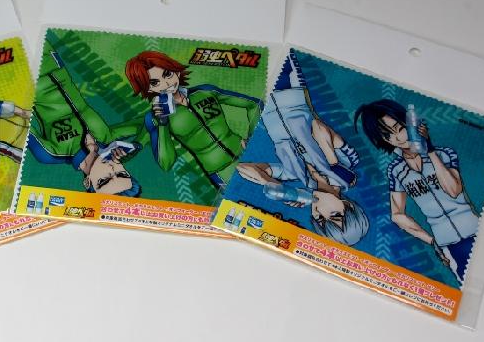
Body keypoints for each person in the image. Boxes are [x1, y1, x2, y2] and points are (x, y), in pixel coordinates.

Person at [235, 53, 369, 246]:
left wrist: (274, 184)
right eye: (334, 215)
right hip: (288, 86)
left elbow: (243, 168)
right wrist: (332, 165)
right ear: (347, 205)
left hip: (261, 99)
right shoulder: (347, 163)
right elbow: (317, 127)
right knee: (274, 51)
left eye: (319, 219)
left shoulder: (295, 174)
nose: (319, 211)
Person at [354, 98, 478, 285]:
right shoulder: (396, 170)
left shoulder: (444, 154)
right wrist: (431, 241)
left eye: (400, 128)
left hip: (475, 231)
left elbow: (454, 190)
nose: (398, 137)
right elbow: (397, 215)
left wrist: (430, 150)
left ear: (409, 122)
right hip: (446, 244)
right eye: (388, 135)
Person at [124, 51, 261, 190]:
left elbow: (254, 105)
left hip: (249, 153)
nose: (166, 83)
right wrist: (163, 123)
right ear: (148, 88)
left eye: (167, 74)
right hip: (221, 171)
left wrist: (253, 138)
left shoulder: (205, 92)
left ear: (176, 71)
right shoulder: (154, 118)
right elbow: (166, 163)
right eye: (154, 82)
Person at [26, 52, 142, 196]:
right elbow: (146, 123)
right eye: (121, 174)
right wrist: (137, 146)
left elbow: (19, 123)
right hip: (51, 59)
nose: (112, 169)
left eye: (105, 180)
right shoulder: (107, 138)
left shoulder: (53, 154)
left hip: (24, 78)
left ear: (87, 182)